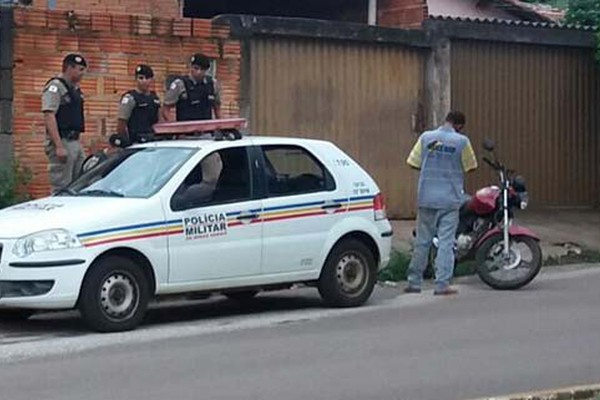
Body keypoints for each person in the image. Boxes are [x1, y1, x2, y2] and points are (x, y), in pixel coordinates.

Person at [404, 111, 478, 295]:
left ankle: (414, 283)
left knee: (423, 241)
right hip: (450, 199)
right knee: (446, 242)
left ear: (446, 121)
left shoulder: (426, 137)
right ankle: (442, 284)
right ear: (459, 125)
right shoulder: (462, 142)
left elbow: (412, 163)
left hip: (426, 198)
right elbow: (471, 167)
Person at [42, 53, 88, 194]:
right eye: (80, 69)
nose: (82, 73)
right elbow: (49, 115)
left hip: (74, 141)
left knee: (80, 183)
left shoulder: (74, 89)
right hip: (62, 140)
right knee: (62, 187)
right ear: (69, 68)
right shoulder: (55, 87)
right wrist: (59, 146)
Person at [162, 53, 221, 122]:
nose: (199, 72)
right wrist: (174, 127)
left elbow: (217, 108)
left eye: (202, 69)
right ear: (191, 67)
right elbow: (166, 109)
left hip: (206, 129)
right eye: (196, 68)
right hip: (185, 129)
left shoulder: (212, 84)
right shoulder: (180, 84)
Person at [117, 64, 161, 144]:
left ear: (151, 80)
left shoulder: (155, 99)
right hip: (135, 141)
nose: (144, 81)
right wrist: (125, 141)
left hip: (152, 140)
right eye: (141, 78)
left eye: (147, 78)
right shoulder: (130, 98)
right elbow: (121, 123)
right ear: (136, 79)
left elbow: (159, 121)